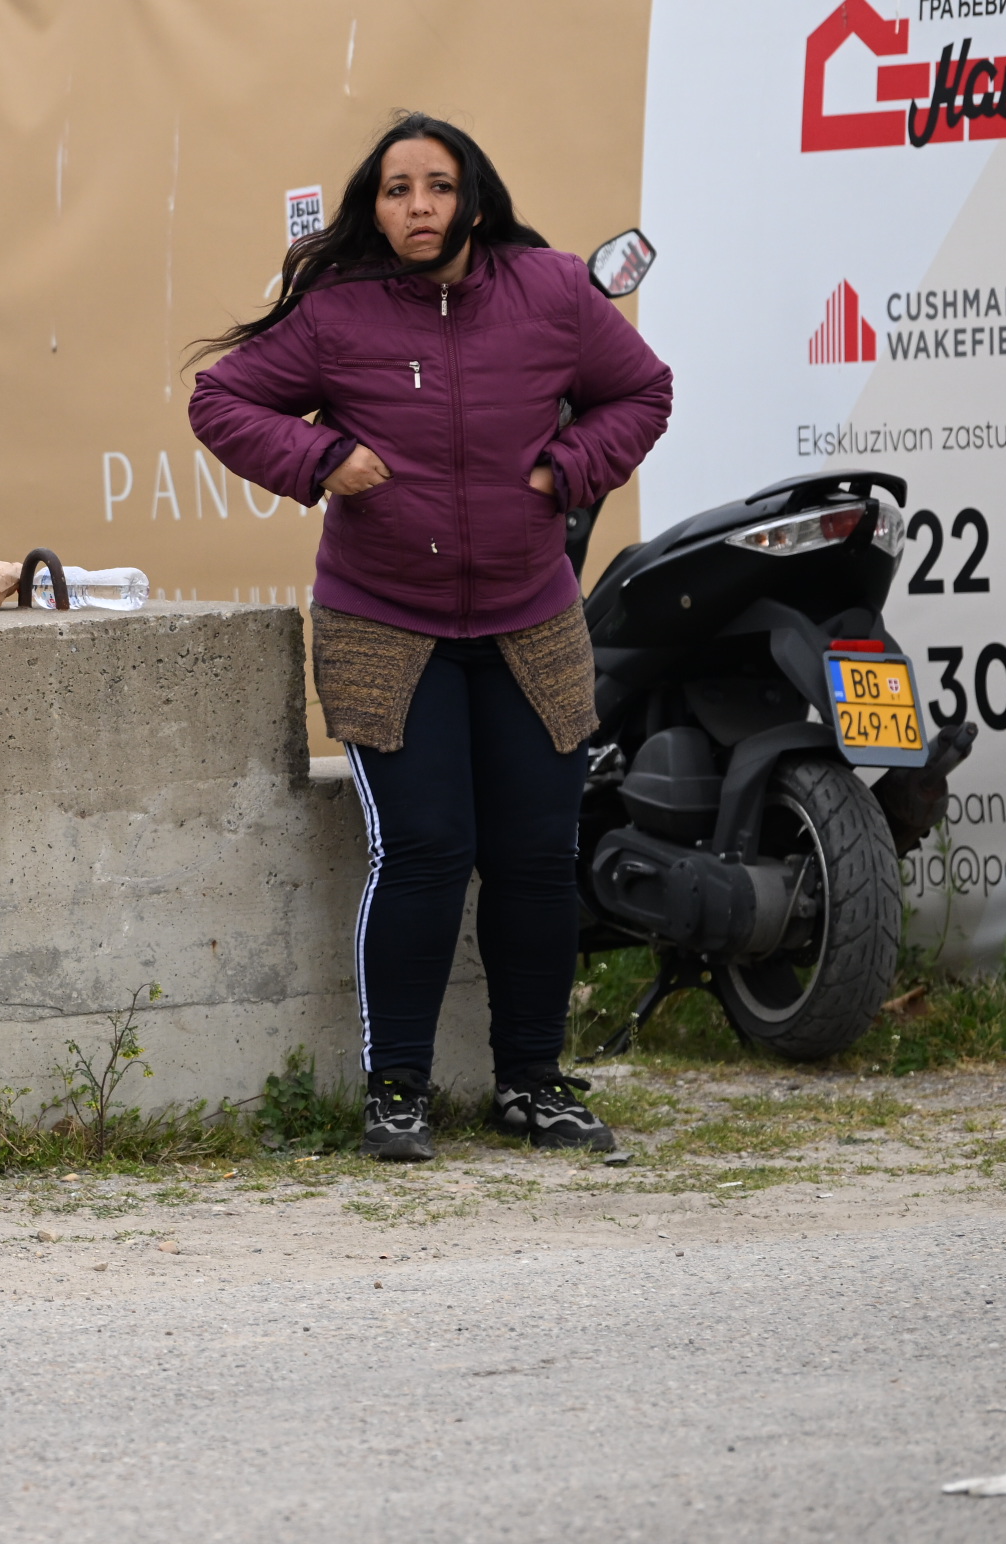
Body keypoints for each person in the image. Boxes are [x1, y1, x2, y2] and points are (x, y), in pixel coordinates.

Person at [189, 112, 671, 1165]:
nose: (419, 206)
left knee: (537, 857)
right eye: (398, 189)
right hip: (384, 621)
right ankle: (398, 1090)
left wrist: (568, 469)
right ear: (376, 208)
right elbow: (221, 400)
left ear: (473, 200)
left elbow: (643, 390)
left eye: (439, 187)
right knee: (426, 849)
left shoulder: (553, 289)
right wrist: (321, 460)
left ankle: (533, 1083)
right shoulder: (337, 310)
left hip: (531, 619)